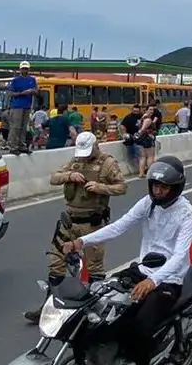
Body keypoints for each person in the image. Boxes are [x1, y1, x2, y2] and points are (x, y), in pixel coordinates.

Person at [63, 156, 192, 365]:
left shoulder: (186, 213)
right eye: (154, 186)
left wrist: (153, 281)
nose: (157, 191)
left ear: (176, 188)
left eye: (163, 187)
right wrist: (82, 242)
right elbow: (119, 226)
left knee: (141, 326)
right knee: (98, 307)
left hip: (169, 279)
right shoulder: (149, 204)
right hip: (143, 269)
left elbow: (180, 255)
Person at [23, 132, 127, 323]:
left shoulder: (108, 164)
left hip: (93, 223)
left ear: (96, 146)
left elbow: (122, 187)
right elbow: (54, 177)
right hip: (69, 222)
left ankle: (94, 311)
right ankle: (49, 306)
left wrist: (101, 188)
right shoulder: (75, 161)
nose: (85, 156)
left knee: (94, 269)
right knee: (56, 264)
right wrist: (70, 175)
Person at [6, 61, 37, 155]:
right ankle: (13, 146)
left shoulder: (32, 79)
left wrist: (32, 91)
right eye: (23, 68)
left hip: (27, 106)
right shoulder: (15, 80)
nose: (25, 70)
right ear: (20, 69)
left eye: (26, 68)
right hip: (16, 106)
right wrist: (22, 93)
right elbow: (10, 93)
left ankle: (22, 145)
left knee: (24, 127)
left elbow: (37, 91)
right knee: (15, 127)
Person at [136, 105, 160, 175]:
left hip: (142, 139)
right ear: (146, 110)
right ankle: (150, 173)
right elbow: (143, 129)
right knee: (150, 156)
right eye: (150, 109)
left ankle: (141, 173)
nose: (151, 111)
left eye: (152, 110)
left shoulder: (143, 118)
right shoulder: (148, 119)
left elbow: (139, 125)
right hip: (148, 139)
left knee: (143, 157)